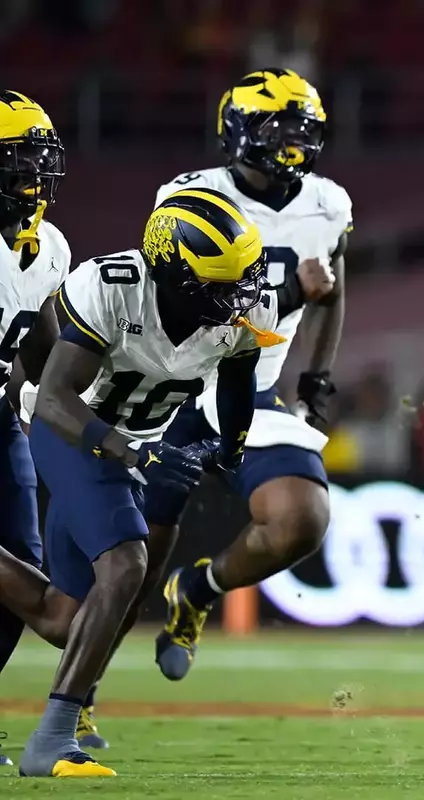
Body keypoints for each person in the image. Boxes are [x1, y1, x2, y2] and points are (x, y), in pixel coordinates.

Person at [0, 188, 280, 777]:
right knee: (127, 563)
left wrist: (230, 448)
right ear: (176, 278)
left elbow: (236, 379)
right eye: (222, 287)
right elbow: (53, 397)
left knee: (63, 620)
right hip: (76, 430)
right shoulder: (112, 286)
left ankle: (57, 725)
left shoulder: (246, 308)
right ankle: (51, 738)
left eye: (244, 280)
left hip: (134, 444)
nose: (242, 298)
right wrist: (129, 451)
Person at [105, 69, 346, 704]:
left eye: (304, 124)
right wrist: (291, 293)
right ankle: (78, 702)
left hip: (249, 390)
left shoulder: (328, 204)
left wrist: (316, 383)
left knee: (301, 518)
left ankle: (198, 592)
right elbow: (176, 301)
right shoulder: (188, 196)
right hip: (172, 391)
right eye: (278, 123)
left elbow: (332, 290)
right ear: (238, 130)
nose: (294, 137)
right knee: (132, 564)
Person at [0, 90, 68, 769]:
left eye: (40, 156)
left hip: (1, 416)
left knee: (23, 564)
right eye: (17, 157)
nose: (34, 172)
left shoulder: (47, 245)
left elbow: (45, 346)